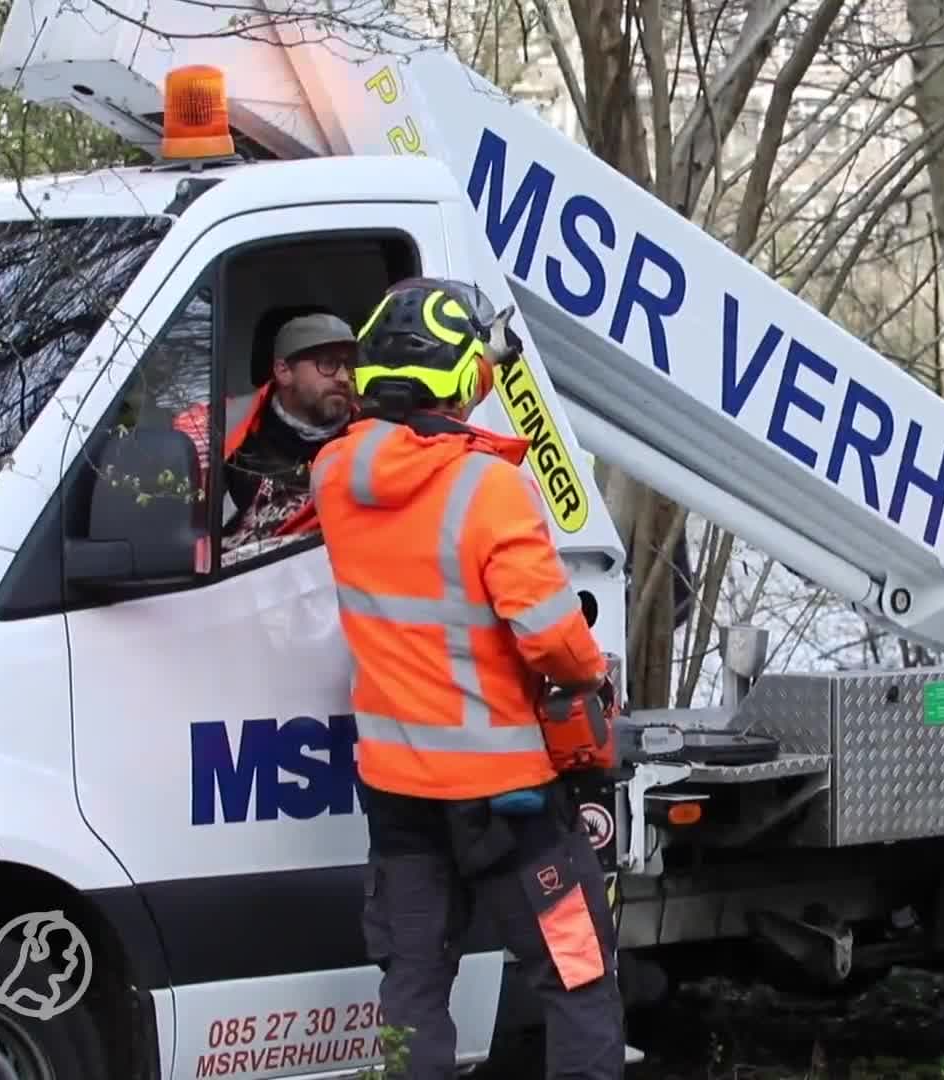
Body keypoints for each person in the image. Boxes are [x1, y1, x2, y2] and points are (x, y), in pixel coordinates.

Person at [308, 277, 625, 1080]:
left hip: (398, 793)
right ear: (464, 377)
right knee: (576, 972)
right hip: (507, 799)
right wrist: (594, 673)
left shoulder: (334, 478)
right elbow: (553, 641)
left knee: (413, 981)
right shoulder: (490, 489)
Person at [172, 311, 356, 558]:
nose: (344, 378)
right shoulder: (219, 431)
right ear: (283, 371)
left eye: (348, 365)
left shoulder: (375, 437)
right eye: (327, 364)